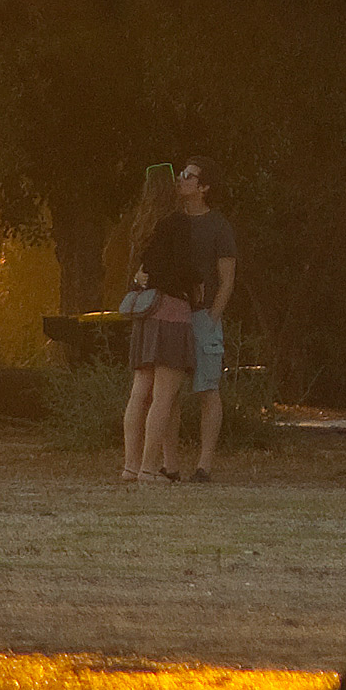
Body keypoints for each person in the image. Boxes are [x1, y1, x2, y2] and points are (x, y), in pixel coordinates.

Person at [121, 165, 199, 485]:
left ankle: (129, 465)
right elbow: (182, 271)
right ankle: (150, 469)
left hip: (147, 312)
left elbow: (143, 274)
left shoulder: (142, 227)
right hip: (173, 310)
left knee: (140, 392)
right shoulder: (178, 224)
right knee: (165, 394)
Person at [173, 156, 236, 482]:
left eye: (188, 175)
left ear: (204, 186)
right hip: (173, 315)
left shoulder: (218, 226)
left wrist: (212, 317)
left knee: (207, 390)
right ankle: (168, 464)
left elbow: (227, 280)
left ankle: (204, 465)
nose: (181, 179)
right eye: (181, 174)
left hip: (203, 317)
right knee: (168, 392)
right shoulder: (171, 222)